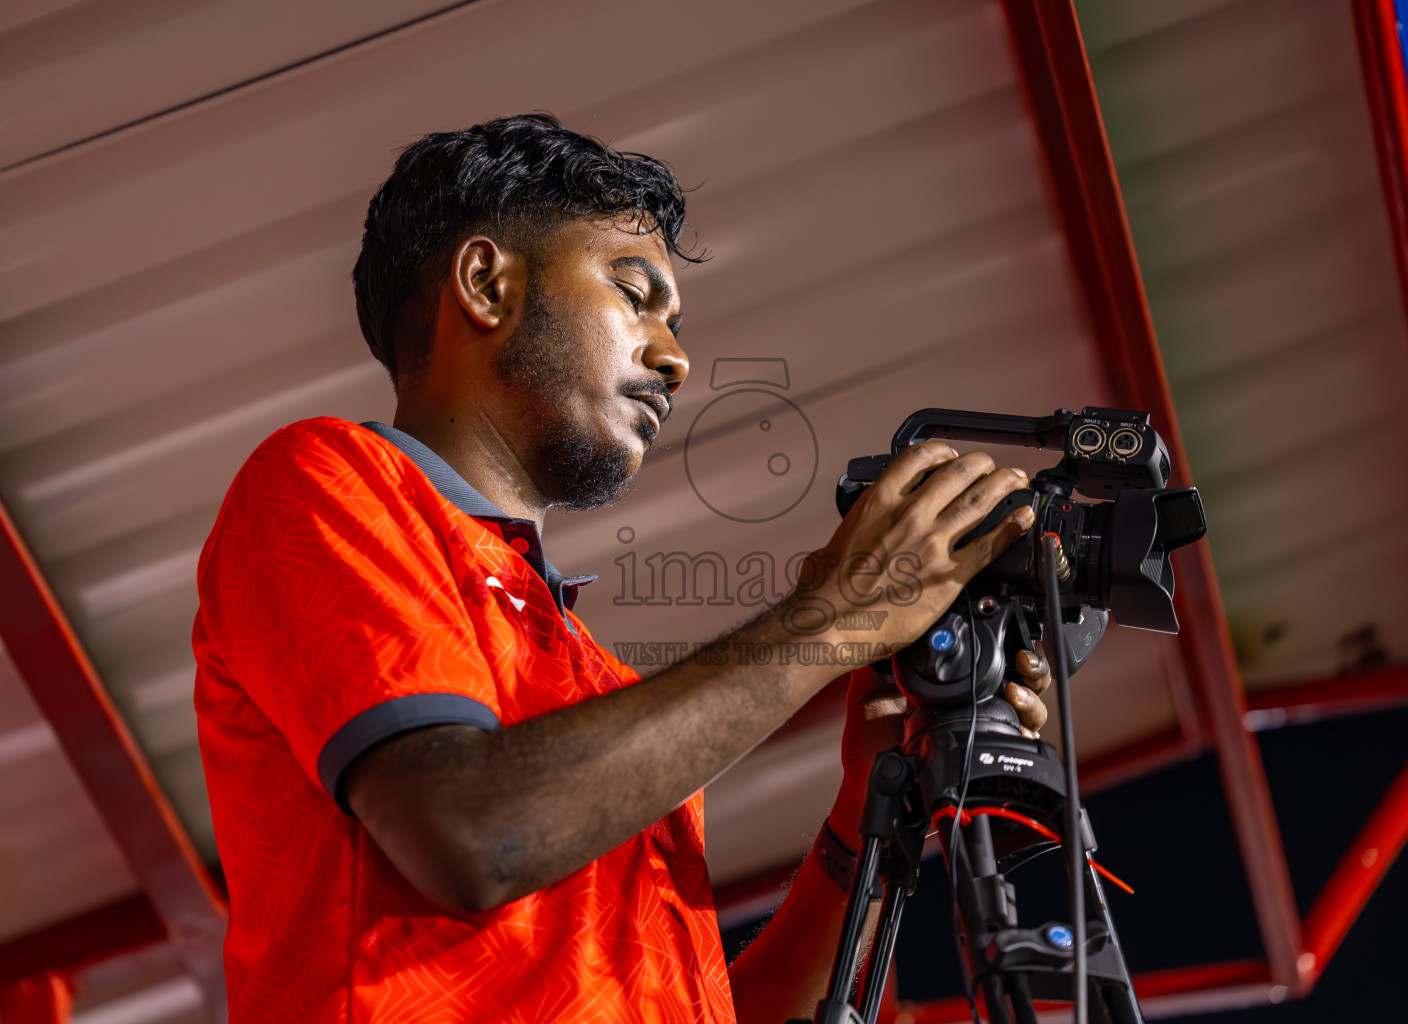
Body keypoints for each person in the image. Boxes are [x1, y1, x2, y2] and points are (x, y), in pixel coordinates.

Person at [192, 113, 1052, 1024]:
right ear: (486, 285)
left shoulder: (597, 684)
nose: (675, 359)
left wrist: (866, 813)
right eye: (635, 293)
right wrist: (838, 616)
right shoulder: (325, 478)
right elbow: (472, 833)